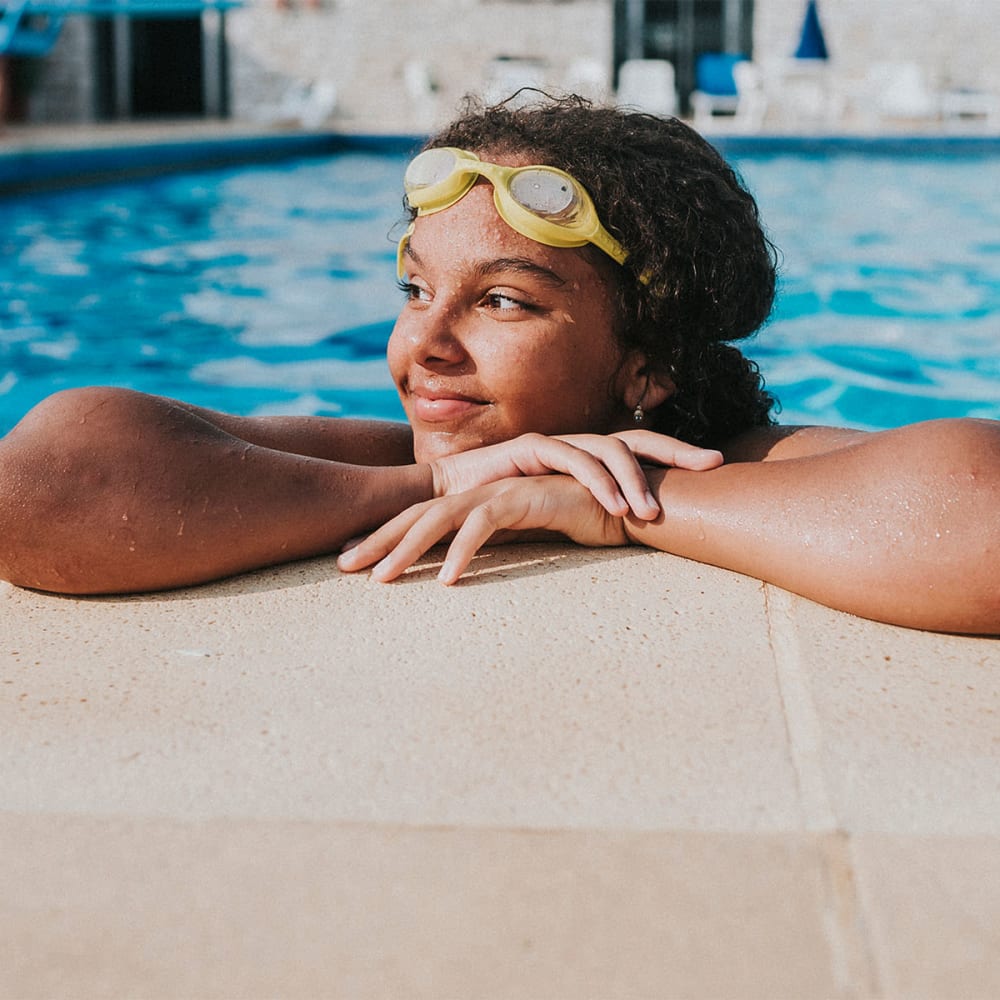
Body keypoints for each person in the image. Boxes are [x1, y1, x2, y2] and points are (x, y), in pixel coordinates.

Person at [0, 95, 997, 635]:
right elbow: (41, 488)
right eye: (416, 290)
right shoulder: (433, 450)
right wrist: (429, 479)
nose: (424, 346)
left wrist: (629, 501)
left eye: (500, 300)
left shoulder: (746, 460)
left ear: (646, 368)